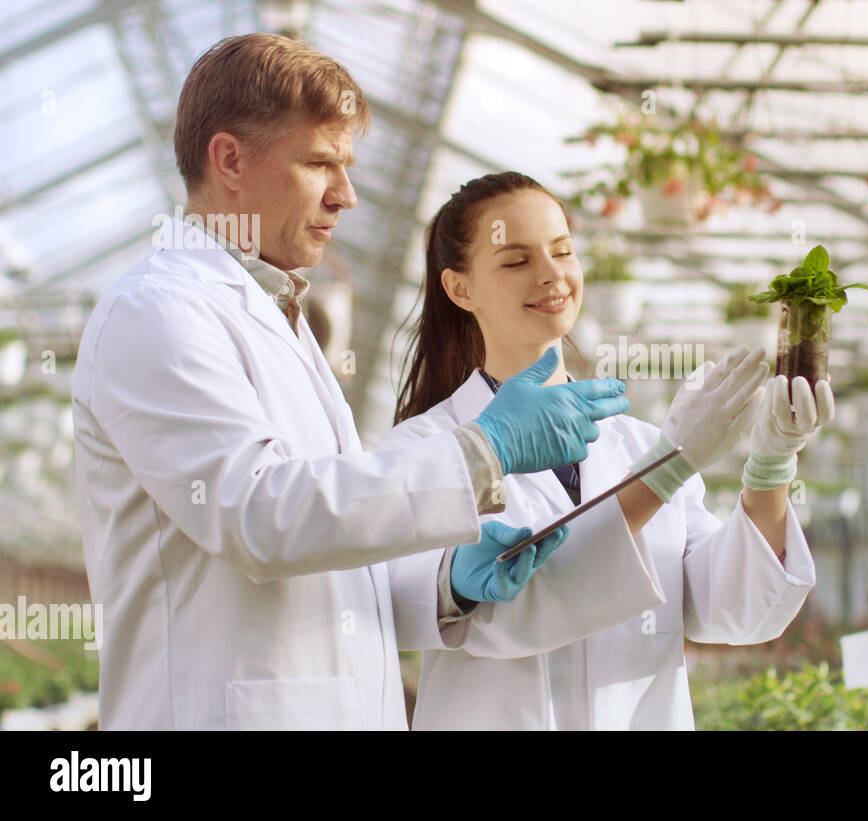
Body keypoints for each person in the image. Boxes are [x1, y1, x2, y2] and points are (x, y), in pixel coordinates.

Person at [71, 34, 629, 730]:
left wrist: (444, 581)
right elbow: (258, 517)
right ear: (229, 159)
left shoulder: (281, 319)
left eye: (348, 164)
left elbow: (328, 558)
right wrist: (482, 451)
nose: (347, 195)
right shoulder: (157, 311)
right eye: (319, 163)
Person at [380, 172, 834, 730]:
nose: (551, 275)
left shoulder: (640, 444)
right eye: (516, 260)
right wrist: (669, 470)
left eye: (563, 251)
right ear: (460, 288)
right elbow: (499, 619)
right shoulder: (427, 452)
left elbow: (732, 612)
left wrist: (768, 468)